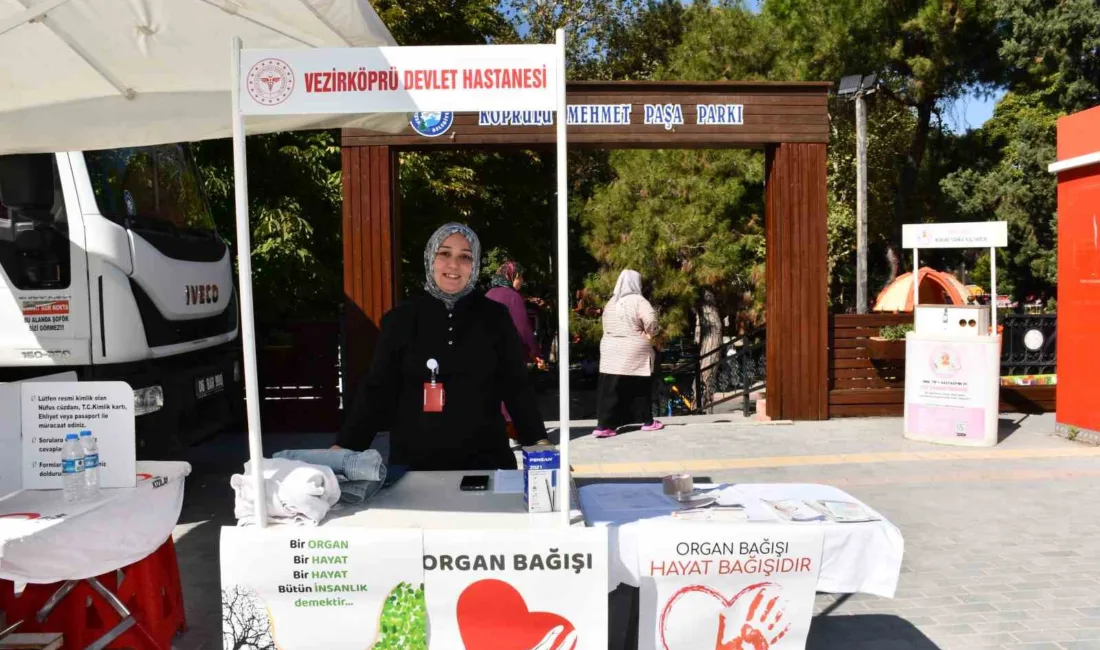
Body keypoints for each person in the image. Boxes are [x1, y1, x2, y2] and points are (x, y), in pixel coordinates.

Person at [334, 223, 549, 470]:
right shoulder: (401, 319)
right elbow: (376, 390)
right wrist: (345, 447)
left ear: (475, 264)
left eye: (465, 257)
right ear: (430, 259)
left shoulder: (495, 317)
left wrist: (538, 443)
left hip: (487, 464)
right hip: (413, 470)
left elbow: (516, 387)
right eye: (444, 253)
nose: (454, 264)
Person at [593, 269, 664, 438]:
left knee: (610, 388)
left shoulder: (611, 302)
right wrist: (649, 334)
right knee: (640, 385)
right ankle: (647, 421)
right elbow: (652, 322)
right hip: (634, 348)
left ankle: (604, 426)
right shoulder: (639, 301)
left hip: (610, 350)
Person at [485, 261, 544, 448]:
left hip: (488, 354)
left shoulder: (487, 295)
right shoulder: (512, 297)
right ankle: (516, 435)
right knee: (515, 395)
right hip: (509, 354)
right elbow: (523, 328)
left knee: (496, 396)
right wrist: (535, 352)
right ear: (511, 277)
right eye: (520, 277)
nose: (521, 281)